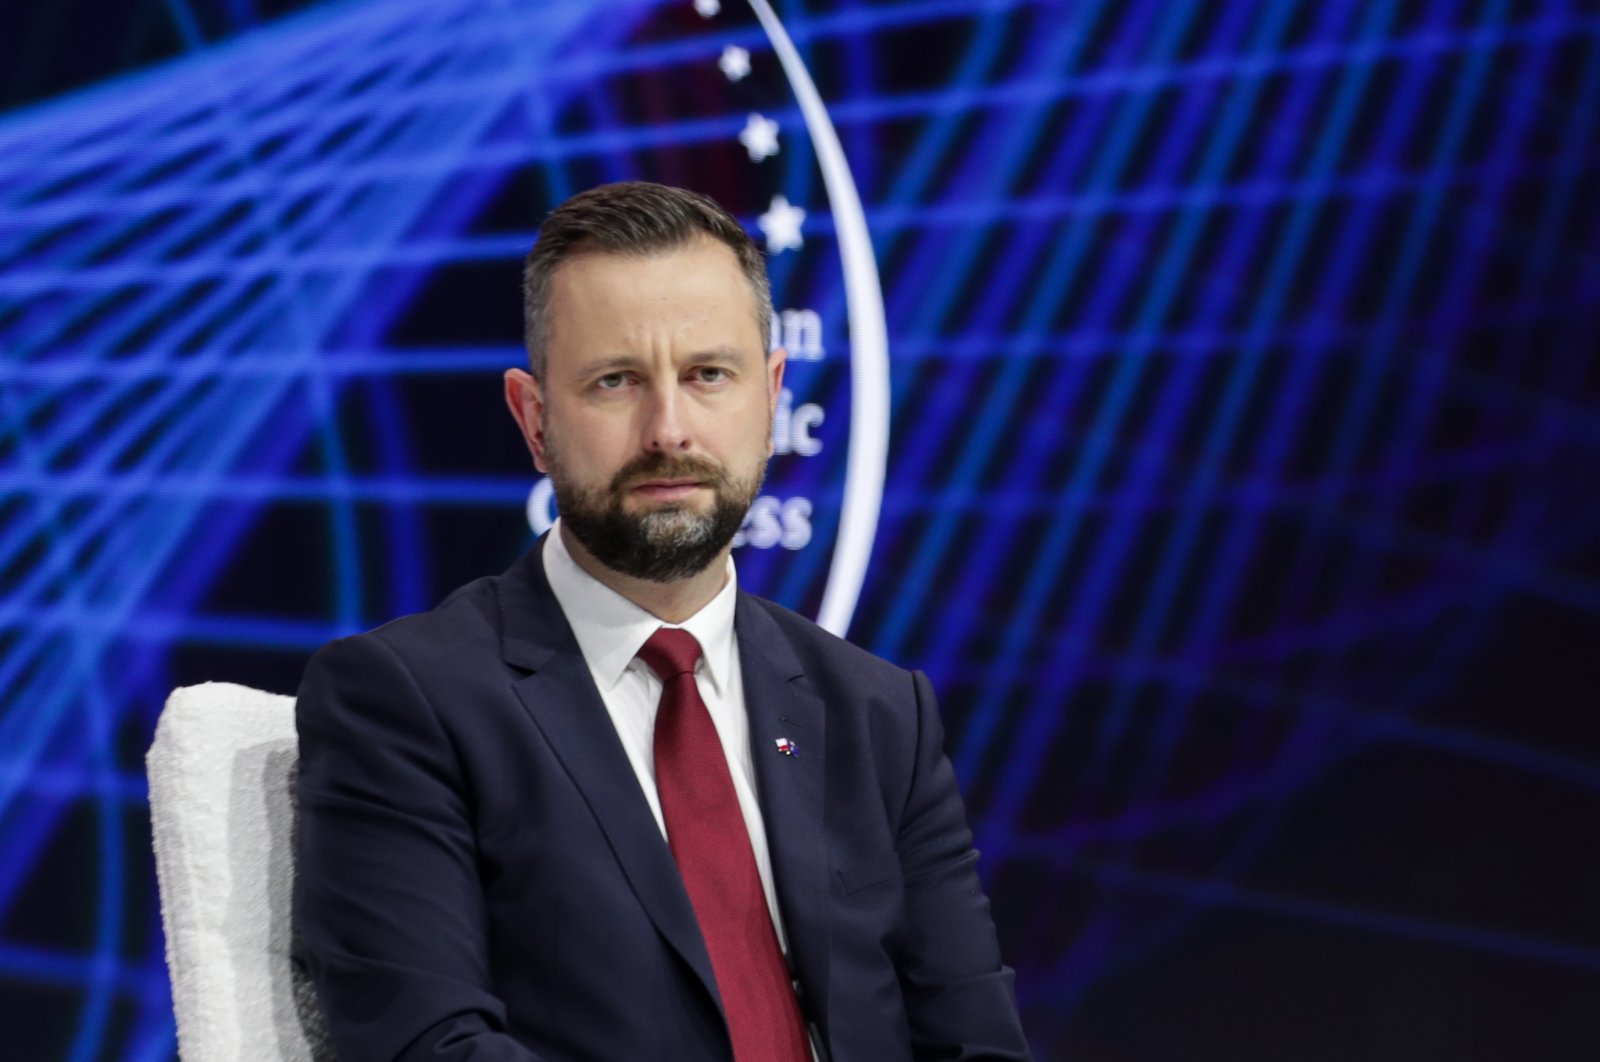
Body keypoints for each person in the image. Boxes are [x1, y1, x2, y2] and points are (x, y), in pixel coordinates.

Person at [294, 181, 1030, 1061]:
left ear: (770, 399)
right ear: (533, 421)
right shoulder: (407, 701)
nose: (668, 429)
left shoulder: (881, 716)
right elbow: (429, 1048)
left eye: (708, 375)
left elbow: (976, 1046)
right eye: (616, 382)